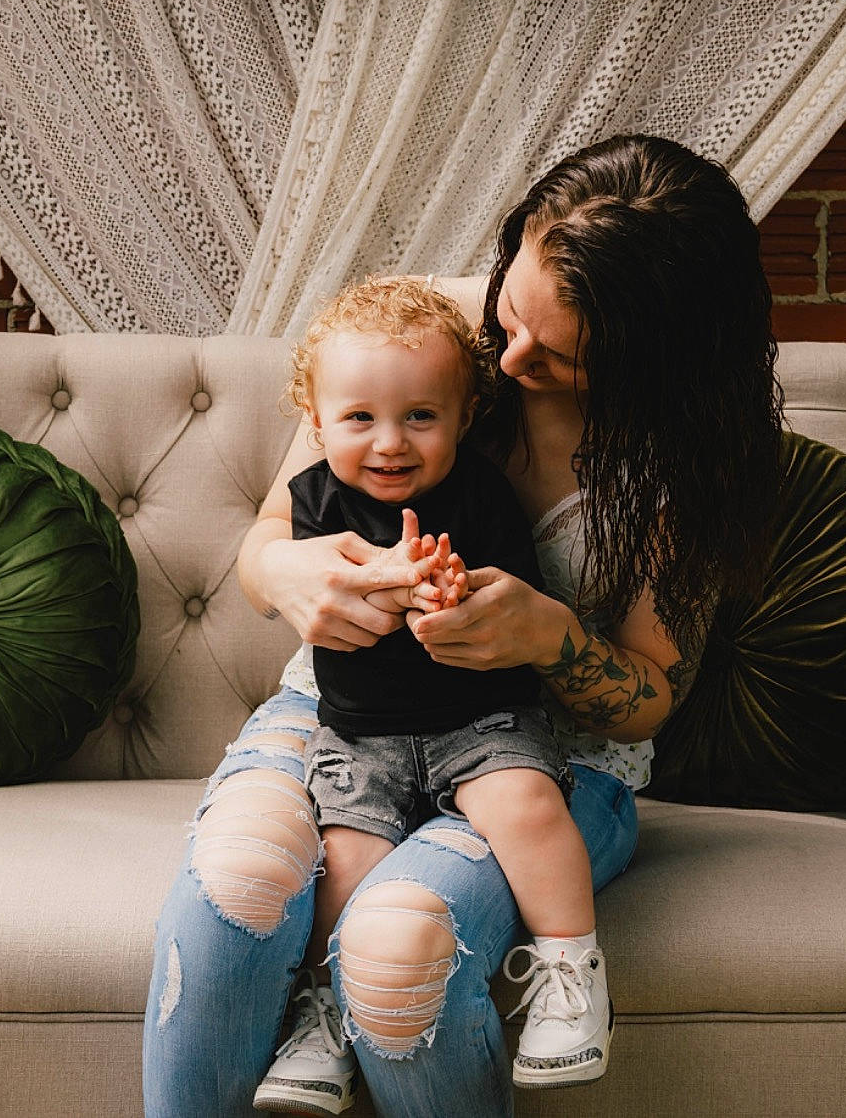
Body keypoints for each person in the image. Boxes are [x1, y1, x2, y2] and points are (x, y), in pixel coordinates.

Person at [142, 133, 784, 1118]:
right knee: (240, 880)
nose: (510, 358)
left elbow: (645, 697)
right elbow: (271, 533)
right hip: (342, 709)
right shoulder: (420, 337)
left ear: (655, 358)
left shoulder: (681, 466)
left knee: (395, 946)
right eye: (512, 310)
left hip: (536, 755)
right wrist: (291, 572)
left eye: (560, 354)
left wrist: (550, 639)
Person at [251, 276, 611, 1114]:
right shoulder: (312, 504)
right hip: (362, 735)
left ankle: (571, 971)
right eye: (359, 418)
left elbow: (507, 589)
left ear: (464, 415)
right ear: (314, 418)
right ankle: (327, 1017)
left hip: (479, 719)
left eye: (421, 416)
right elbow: (306, 583)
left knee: (528, 806)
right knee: (341, 866)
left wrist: (450, 584)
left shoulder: (480, 492)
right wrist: (369, 578)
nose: (390, 443)